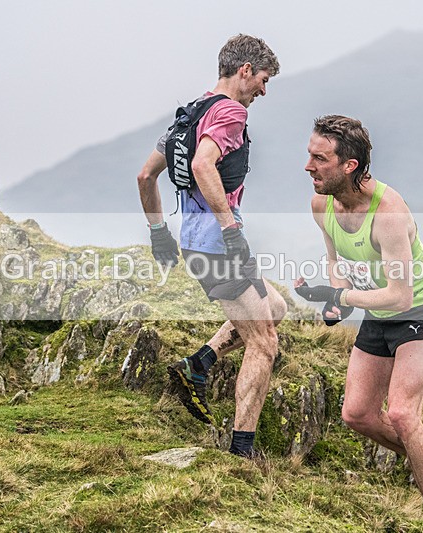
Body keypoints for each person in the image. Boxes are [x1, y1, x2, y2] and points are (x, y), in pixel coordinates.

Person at [294, 115, 423, 520]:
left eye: (319, 159)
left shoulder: (388, 213)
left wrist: (341, 295)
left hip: (422, 308)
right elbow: (334, 259)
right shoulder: (321, 203)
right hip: (379, 309)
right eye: (309, 155)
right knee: (356, 414)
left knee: (401, 413)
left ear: (350, 165)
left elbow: (400, 295)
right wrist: (334, 301)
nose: (308, 167)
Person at [136, 34, 286, 458]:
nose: (263, 89)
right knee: (264, 343)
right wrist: (231, 231)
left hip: (196, 243)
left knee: (275, 308)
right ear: (244, 71)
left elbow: (146, 176)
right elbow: (203, 163)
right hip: (219, 246)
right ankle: (242, 451)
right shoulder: (231, 113)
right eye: (263, 79)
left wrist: (158, 232)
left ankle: (198, 364)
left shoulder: (190, 113)